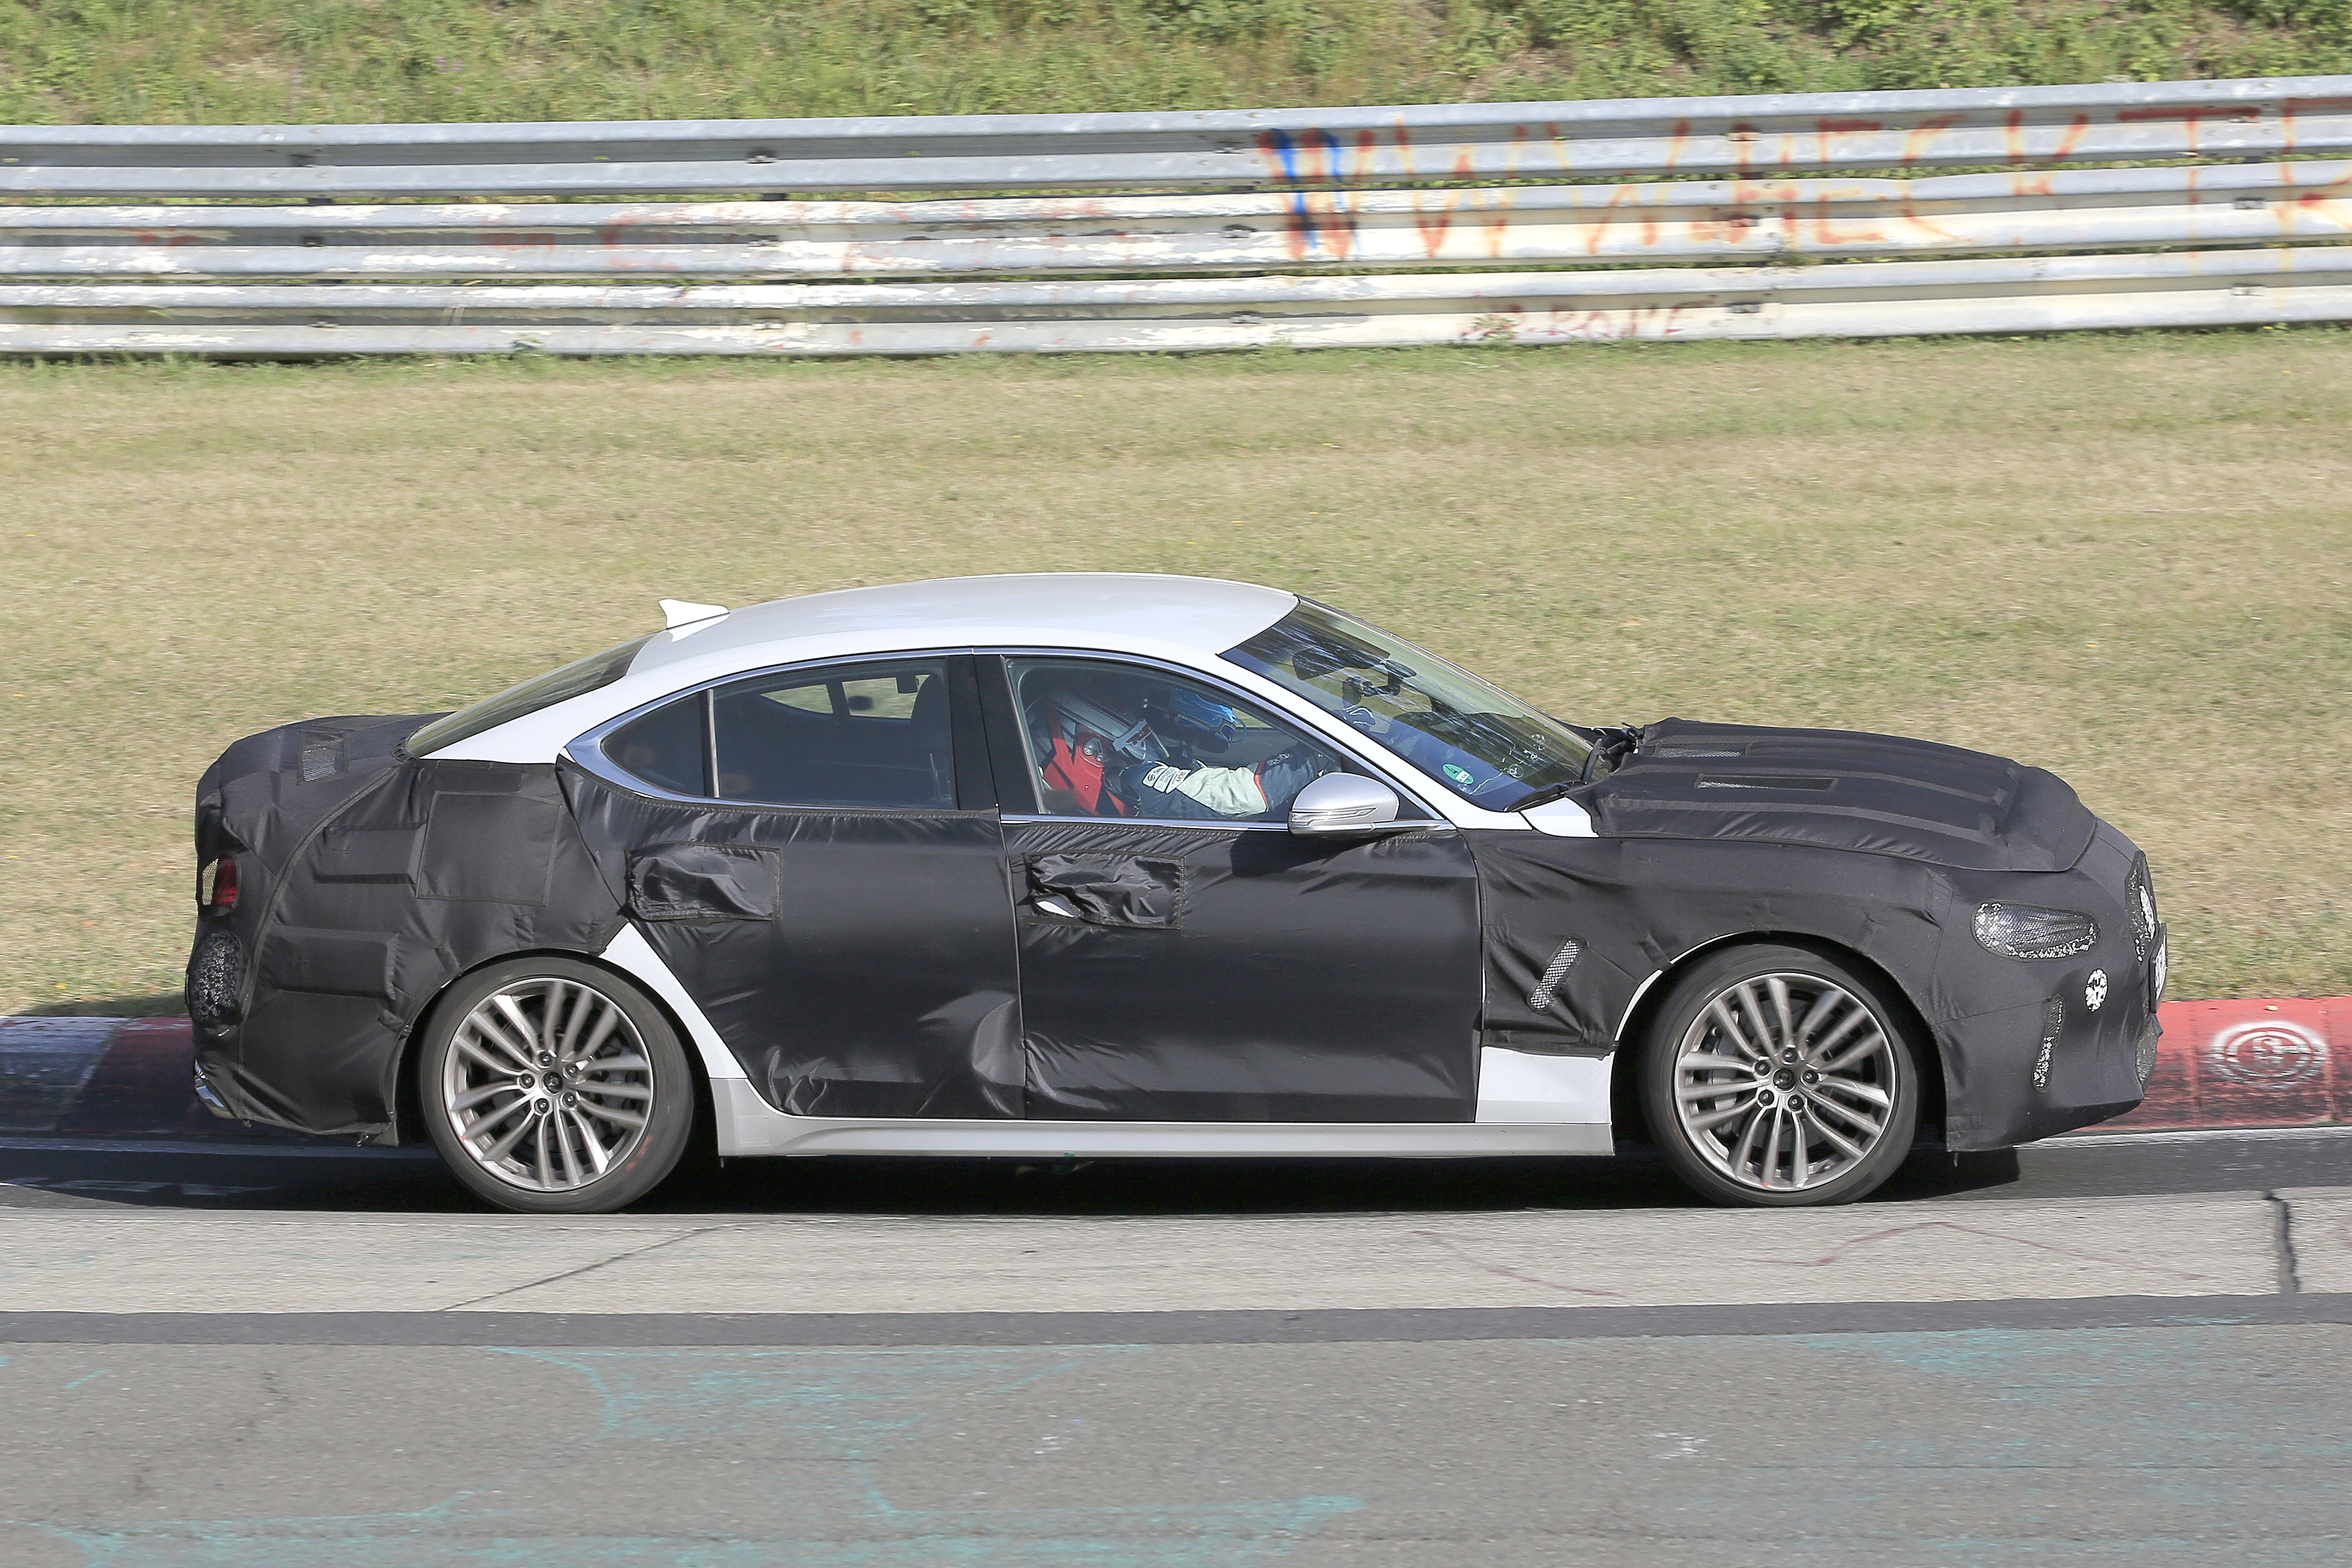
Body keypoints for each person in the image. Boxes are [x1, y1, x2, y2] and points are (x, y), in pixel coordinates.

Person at [1024, 673, 1334, 821]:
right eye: (1132, 739)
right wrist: (1318, 750)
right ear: (1090, 750)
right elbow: (1246, 794)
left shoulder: (1130, 777)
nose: (1146, 745)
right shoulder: (1131, 780)